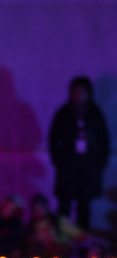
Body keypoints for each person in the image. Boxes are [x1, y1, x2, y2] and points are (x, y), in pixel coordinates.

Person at [48, 76, 111, 230]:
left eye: (82, 91)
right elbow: (53, 139)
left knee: (84, 205)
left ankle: (83, 242)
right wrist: (59, 160)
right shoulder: (64, 113)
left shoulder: (95, 114)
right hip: (68, 166)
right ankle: (62, 239)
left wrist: (100, 162)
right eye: (76, 91)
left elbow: (104, 140)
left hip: (88, 167)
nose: (79, 94)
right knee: (65, 205)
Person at [23, 192, 105, 258]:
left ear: (46, 208)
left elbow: (79, 234)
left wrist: (95, 240)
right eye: (35, 209)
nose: (38, 211)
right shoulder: (30, 228)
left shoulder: (59, 222)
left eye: (41, 208)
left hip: (61, 257)